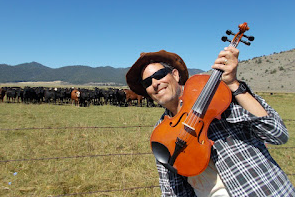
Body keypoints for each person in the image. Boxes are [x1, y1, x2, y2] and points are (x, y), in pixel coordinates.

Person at [126, 48, 295, 197]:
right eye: (148, 83)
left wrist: (233, 84)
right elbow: (173, 190)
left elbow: (277, 134)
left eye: (159, 75)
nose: (155, 83)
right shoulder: (160, 132)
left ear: (175, 75)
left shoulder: (216, 99)